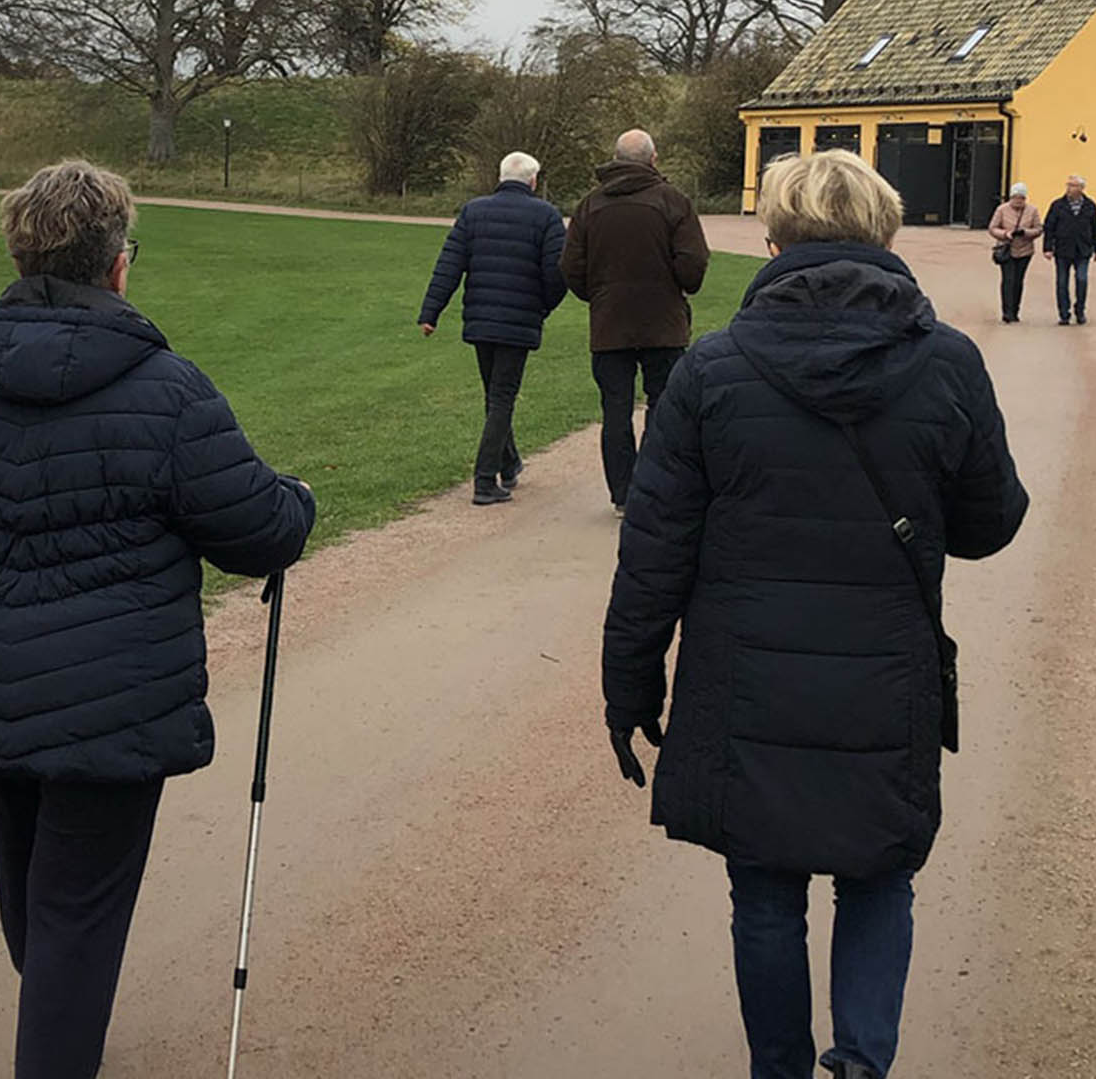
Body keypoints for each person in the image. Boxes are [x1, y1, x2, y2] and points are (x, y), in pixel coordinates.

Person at [0, 160, 315, 1078]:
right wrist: (296, 502)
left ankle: (57, 1018)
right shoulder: (168, 389)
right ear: (117, 266)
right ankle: (58, 1039)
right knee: (72, 908)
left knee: (40, 896)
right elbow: (260, 528)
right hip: (113, 699)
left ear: (24, 257)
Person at [602, 149, 1028, 1079]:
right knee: (878, 876)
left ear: (775, 237)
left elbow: (654, 550)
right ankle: (862, 1062)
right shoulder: (945, 362)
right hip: (885, 668)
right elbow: (990, 523)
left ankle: (782, 1069)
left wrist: (629, 683)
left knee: (763, 891)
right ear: (885, 231)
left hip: (747, 673)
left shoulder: (714, 371)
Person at [562, 129, 710, 515]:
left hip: (610, 321)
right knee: (663, 406)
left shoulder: (589, 206)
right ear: (653, 159)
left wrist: (599, 295)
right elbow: (693, 266)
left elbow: (571, 267)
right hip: (664, 321)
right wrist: (674, 284)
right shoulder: (673, 202)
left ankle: (623, 493)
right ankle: (654, 483)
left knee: (615, 409)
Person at [417, 151, 568, 505]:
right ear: (533, 181)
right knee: (502, 397)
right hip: (519, 319)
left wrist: (431, 312)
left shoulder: (474, 211)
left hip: (481, 319)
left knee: (495, 395)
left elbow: (449, 265)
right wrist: (542, 306)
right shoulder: (546, 216)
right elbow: (557, 274)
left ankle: (509, 462)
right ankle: (485, 480)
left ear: (500, 177)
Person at [1041, 174, 1096, 325]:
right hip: (1063, 249)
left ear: (1081, 188)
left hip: (1083, 249)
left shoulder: (1090, 206)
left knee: (1082, 279)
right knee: (1062, 282)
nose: (1069, 188)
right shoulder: (1057, 205)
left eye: (1073, 185)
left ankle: (1080, 310)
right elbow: (1049, 227)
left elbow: (1095, 227)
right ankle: (1064, 313)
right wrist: (1047, 247)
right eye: (1068, 185)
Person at [987, 182, 1043, 325]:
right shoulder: (1002, 210)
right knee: (1008, 280)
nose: (1018, 201)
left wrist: (1025, 232)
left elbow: (1038, 229)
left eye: (1021, 198)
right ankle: (1007, 312)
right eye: (1015, 198)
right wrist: (1006, 233)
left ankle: (1016, 310)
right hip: (1007, 249)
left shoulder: (1032, 210)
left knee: (1018, 281)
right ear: (1011, 197)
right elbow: (992, 228)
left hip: (1025, 250)